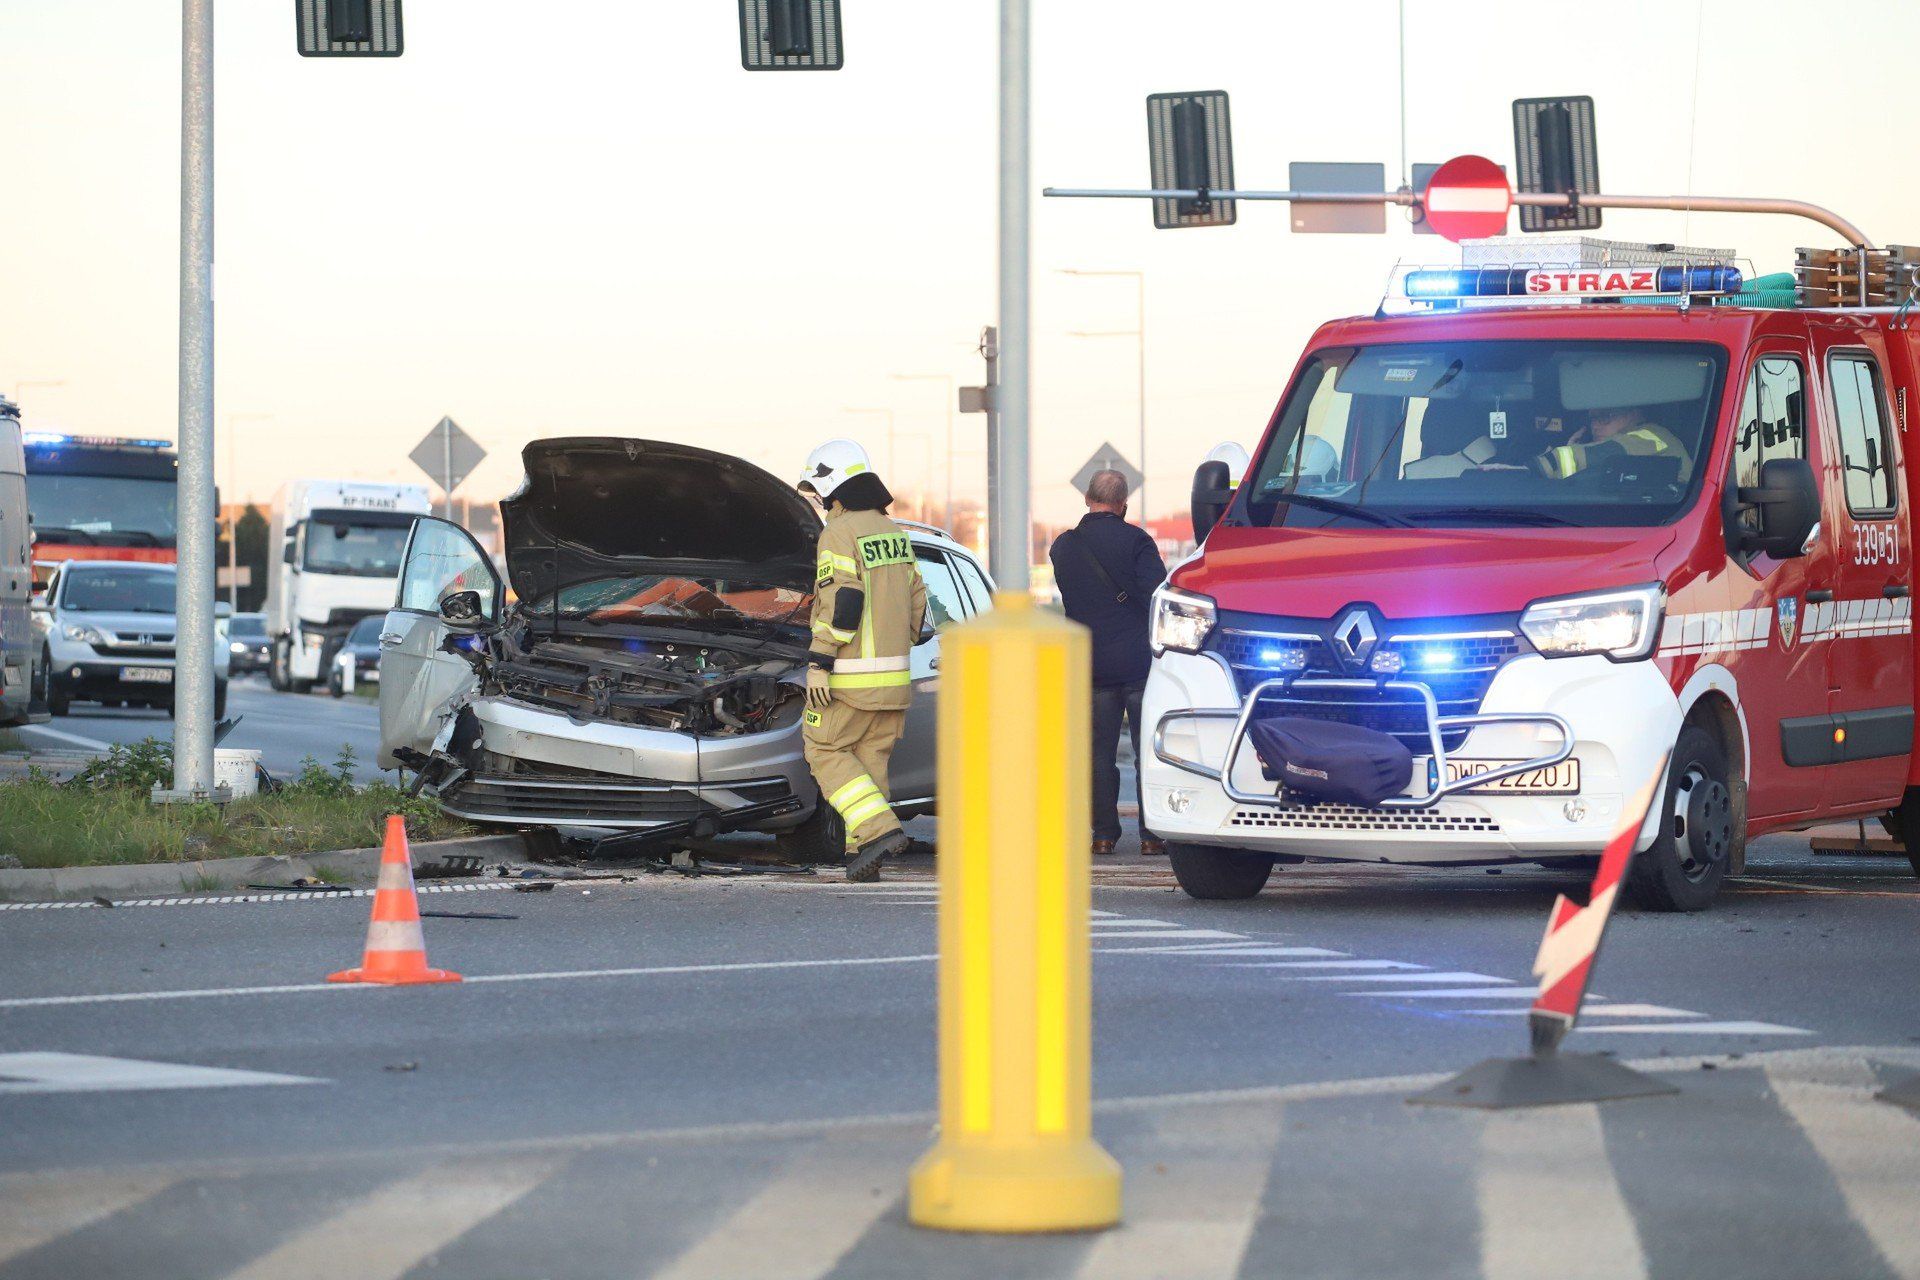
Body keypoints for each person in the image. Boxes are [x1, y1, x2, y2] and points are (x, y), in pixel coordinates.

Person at [797, 439, 928, 882]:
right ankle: (863, 854)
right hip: (894, 680)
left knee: (824, 749)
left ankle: (877, 831)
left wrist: (820, 660)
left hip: (851, 678)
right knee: (870, 761)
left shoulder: (839, 533)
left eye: (818, 492)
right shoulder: (894, 533)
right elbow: (918, 602)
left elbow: (843, 600)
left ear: (832, 486)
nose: (819, 502)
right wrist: (896, 642)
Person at [1049, 469, 1168, 857]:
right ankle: (1151, 835)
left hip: (1091, 662)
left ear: (1087, 497)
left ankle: (1103, 834)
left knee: (1099, 752)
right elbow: (1157, 595)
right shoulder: (1138, 542)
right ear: (1124, 504)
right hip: (1137, 662)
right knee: (1145, 750)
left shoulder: (1064, 547)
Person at [1535, 405, 1688, 481]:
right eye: (1593, 419)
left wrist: (1527, 470)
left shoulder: (1652, 434)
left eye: (1605, 416)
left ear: (1634, 413)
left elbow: (1604, 452)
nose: (1595, 426)